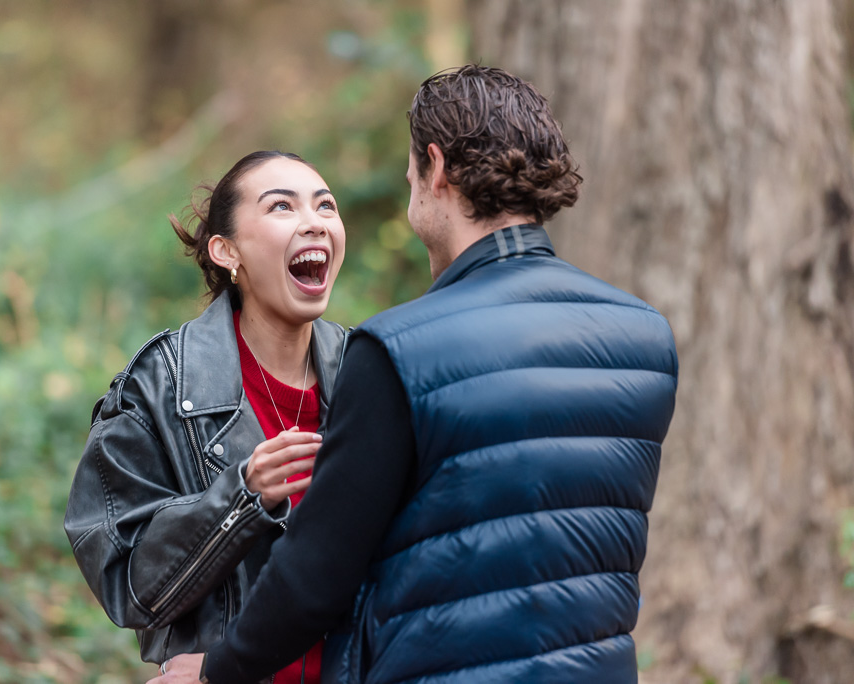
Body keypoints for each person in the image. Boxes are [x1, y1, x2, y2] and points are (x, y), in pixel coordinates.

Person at [154, 65, 679, 684]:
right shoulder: (645, 337)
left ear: (435, 169)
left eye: (410, 181)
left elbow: (315, 576)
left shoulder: (397, 351)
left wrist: (218, 669)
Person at [64, 150, 348, 683]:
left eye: (326, 205)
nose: (314, 221)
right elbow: (128, 584)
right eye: (282, 207)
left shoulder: (367, 371)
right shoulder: (161, 384)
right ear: (226, 251)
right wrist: (241, 498)